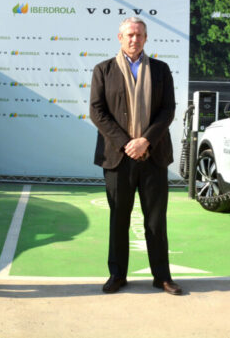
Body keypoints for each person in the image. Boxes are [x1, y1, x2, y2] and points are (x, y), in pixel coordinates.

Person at [89, 16, 183, 295]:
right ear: (120, 38)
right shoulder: (103, 70)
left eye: (139, 35)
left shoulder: (161, 70)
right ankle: (117, 275)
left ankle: (162, 277)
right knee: (119, 217)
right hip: (118, 158)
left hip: (153, 156)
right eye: (129, 34)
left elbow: (168, 110)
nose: (134, 39)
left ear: (145, 38)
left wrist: (145, 141)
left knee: (156, 219)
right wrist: (126, 143)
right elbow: (97, 111)